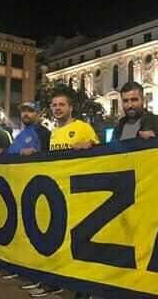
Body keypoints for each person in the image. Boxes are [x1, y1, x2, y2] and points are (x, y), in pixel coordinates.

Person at [27, 89, 99, 297]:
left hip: (80, 194)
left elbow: (101, 151)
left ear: (70, 107)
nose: (58, 108)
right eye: (54, 105)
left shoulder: (83, 127)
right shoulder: (54, 133)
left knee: (82, 243)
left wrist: (90, 145)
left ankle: (84, 290)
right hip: (59, 195)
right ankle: (56, 280)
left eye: (62, 105)